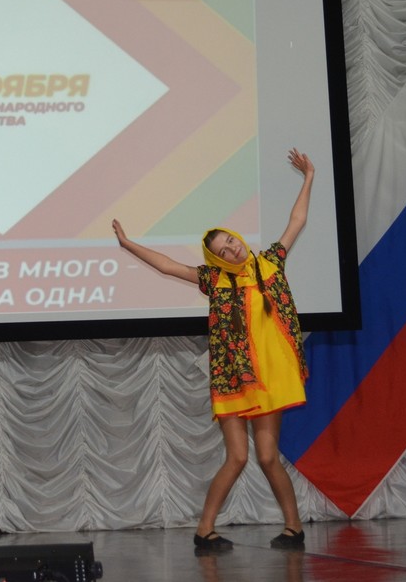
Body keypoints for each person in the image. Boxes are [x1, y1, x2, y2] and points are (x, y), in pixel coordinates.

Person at [112, 148, 315, 553]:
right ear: (216, 259)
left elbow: (297, 221)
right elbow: (168, 266)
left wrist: (308, 176)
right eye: (223, 251)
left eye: (231, 242)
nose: (232, 250)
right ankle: (204, 531)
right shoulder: (214, 281)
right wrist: (128, 244)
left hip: (270, 378)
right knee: (237, 457)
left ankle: (294, 527)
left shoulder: (270, 263)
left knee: (268, 457)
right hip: (232, 379)